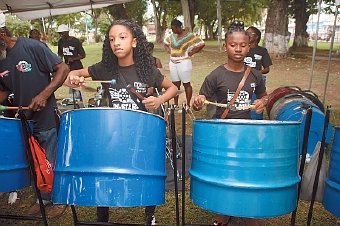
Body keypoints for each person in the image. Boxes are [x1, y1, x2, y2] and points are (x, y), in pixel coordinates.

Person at [64, 19, 178, 225]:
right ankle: (102, 213)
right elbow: (71, 74)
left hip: (141, 132)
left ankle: (149, 212)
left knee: (145, 170)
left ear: (134, 42)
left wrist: (159, 99)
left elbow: (173, 88)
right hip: (113, 132)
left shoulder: (147, 71)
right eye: (111, 39)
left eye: (122, 37)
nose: (116, 42)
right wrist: (74, 78)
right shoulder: (105, 69)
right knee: (106, 168)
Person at [192, 21, 268, 226]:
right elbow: (197, 104)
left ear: (249, 46)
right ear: (225, 46)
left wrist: (262, 102)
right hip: (222, 134)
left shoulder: (255, 74)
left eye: (242, 45)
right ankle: (223, 213)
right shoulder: (215, 75)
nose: (238, 49)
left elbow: (263, 96)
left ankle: (246, 212)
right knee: (223, 176)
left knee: (245, 174)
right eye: (233, 45)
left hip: (246, 135)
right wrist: (197, 101)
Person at [0, 13, 70, 218]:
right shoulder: (1, 59)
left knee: (50, 157)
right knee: (34, 160)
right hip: (23, 119)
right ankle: (43, 198)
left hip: (45, 115)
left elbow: (63, 68)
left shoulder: (31, 46)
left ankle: (58, 199)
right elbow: (4, 89)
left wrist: (44, 94)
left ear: (2, 33)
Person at [163, 18, 205, 110]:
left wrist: (193, 52)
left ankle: (188, 105)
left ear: (178, 27)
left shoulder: (189, 36)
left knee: (186, 84)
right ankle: (176, 104)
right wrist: (168, 50)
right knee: (175, 85)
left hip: (184, 62)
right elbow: (165, 43)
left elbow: (201, 43)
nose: (172, 30)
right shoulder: (172, 36)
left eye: (173, 28)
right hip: (173, 62)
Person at [244, 26, 272, 120]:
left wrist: (256, 73)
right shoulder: (242, 49)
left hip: (257, 81)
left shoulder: (262, 51)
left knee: (256, 104)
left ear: (256, 37)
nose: (246, 35)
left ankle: (256, 121)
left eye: (249, 33)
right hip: (242, 79)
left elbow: (267, 69)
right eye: (245, 33)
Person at [57, 24, 85, 104]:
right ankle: (72, 101)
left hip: (77, 67)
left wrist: (73, 59)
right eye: (60, 33)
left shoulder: (75, 41)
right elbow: (60, 54)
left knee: (78, 85)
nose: (61, 35)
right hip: (67, 67)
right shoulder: (60, 42)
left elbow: (83, 55)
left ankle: (81, 102)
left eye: (62, 33)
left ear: (67, 32)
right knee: (70, 84)